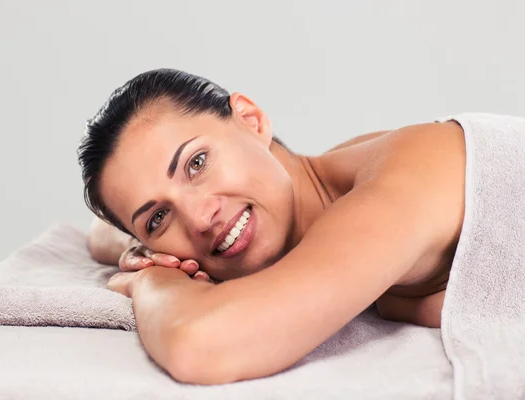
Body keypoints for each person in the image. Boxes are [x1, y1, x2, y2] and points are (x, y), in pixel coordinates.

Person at [77, 68, 465, 384]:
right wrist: (142, 253)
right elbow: (102, 233)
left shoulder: (400, 181)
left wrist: (152, 280)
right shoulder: (326, 193)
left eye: (196, 163)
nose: (199, 218)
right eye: (158, 218)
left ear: (251, 120)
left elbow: (200, 345)